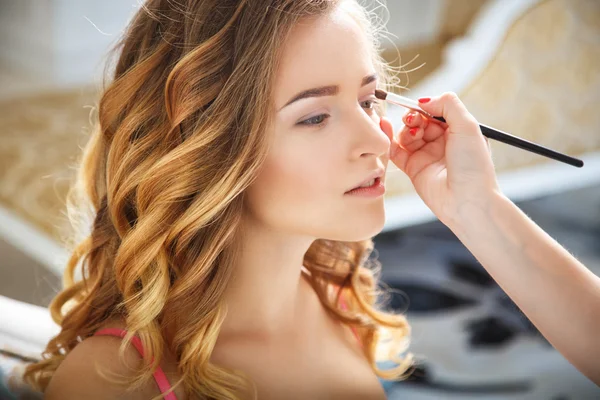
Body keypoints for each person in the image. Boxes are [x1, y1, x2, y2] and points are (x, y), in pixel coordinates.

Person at [23, 1, 600, 400]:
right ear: (206, 148)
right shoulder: (113, 382)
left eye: (370, 99)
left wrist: (480, 207)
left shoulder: (338, 300)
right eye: (316, 116)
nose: (378, 138)